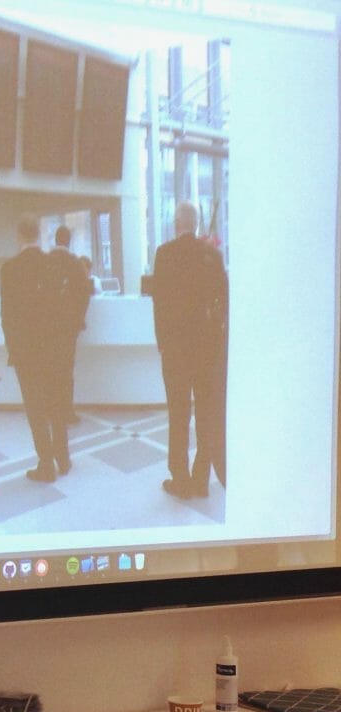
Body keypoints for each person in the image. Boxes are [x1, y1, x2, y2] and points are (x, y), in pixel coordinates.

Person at [150, 200, 229, 498]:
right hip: (206, 351)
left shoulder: (164, 254)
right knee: (206, 414)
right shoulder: (212, 255)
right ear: (195, 224)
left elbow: (158, 303)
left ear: (176, 223)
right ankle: (200, 479)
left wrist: (162, 343)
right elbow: (223, 301)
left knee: (178, 414)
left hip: (175, 351)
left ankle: (180, 479)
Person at [1, 214, 69, 481]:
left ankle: (46, 463)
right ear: (39, 235)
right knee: (56, 404)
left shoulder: (9, 269)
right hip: (52, 349)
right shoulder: (53, 264)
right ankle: (63, 458)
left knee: (36, 409)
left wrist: (14, 350)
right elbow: (61, 311)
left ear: (19, 236)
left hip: (26, 352)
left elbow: (6, 316)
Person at [46, 224, 93, 426]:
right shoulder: (74, 263)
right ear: (69, 240)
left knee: (49, 369)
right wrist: (78, 320)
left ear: (56, 239)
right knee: (66, 369)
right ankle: (66, 412)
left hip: (47, 327)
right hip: (68, 327)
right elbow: (85, 292)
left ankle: (50, 410)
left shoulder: (45, 262)